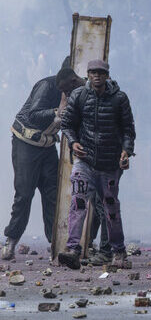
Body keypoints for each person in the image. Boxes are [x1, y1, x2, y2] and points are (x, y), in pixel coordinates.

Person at [58, 60, 136, 270]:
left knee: (110, 208)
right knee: (78, 202)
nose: (97, 76)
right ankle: (73, 249)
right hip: (85, 161)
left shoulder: (120, 98)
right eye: (93, 72)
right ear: (88, 75)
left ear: (107, 75)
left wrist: (126, 151)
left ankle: (118, 251)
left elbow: (129, 129)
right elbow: (67, 125)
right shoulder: (79, 96)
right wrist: (74, 142)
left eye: (101, 73)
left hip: (110, 163)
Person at [1, 67, 84, 260]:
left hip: (47, 146)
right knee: (24, 193)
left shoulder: (75, 91)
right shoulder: (46, 86)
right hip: (26, 144)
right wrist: (57, 111)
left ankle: (55, 241)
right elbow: (33, 114)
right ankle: (11, 240)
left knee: (52, 194)